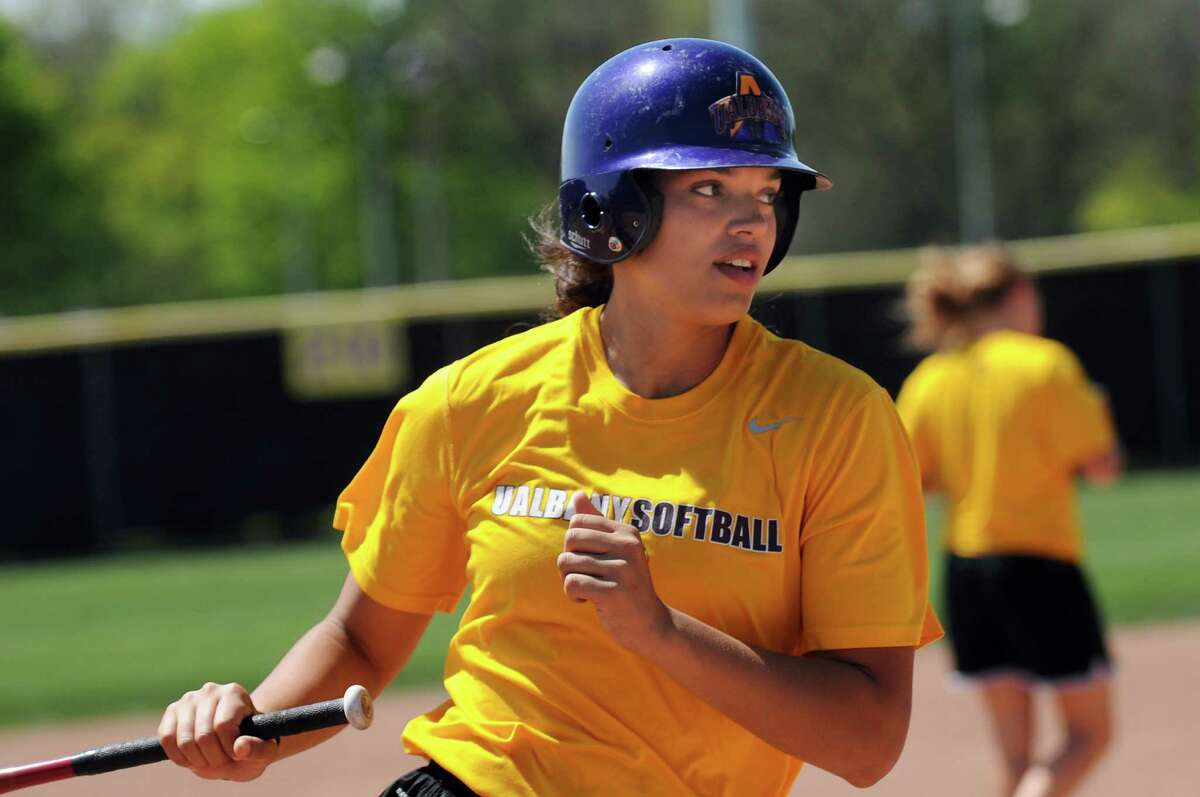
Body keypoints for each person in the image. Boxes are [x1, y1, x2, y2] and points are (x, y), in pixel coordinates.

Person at [158, 38, 941, 796]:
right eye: (710, 189)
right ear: (610, 210)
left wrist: (661, 631)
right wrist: (254, 722)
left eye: (767, 195)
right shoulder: (473, 399)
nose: (752, 223)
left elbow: (867, 740)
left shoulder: (837, 418)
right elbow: (359, 639)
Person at [896, 245, 1119, 797]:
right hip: (1040, 564)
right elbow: (1102, 468)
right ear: (1019, 295)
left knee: (1015, 759)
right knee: (1090, 734)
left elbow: (910, 478)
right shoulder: (1044, 362)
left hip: (967, 573)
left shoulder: (932, 377)